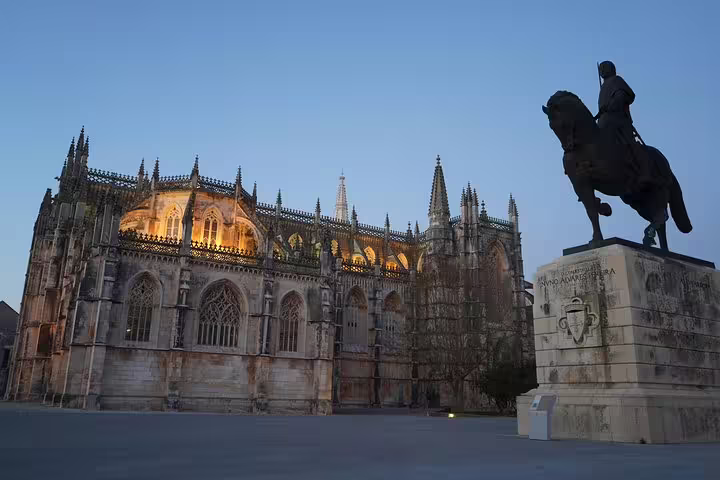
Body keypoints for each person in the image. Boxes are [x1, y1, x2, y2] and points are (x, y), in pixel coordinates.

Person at [596, 61, 652, 189]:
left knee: (630, 143)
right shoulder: (604, 87)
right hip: (604, 120)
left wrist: (611, 105)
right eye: (601, 69)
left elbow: (623, 95)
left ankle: (645, 171)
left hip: (619, 118)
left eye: (604, 68)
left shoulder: (616, 80)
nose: (601, 71)